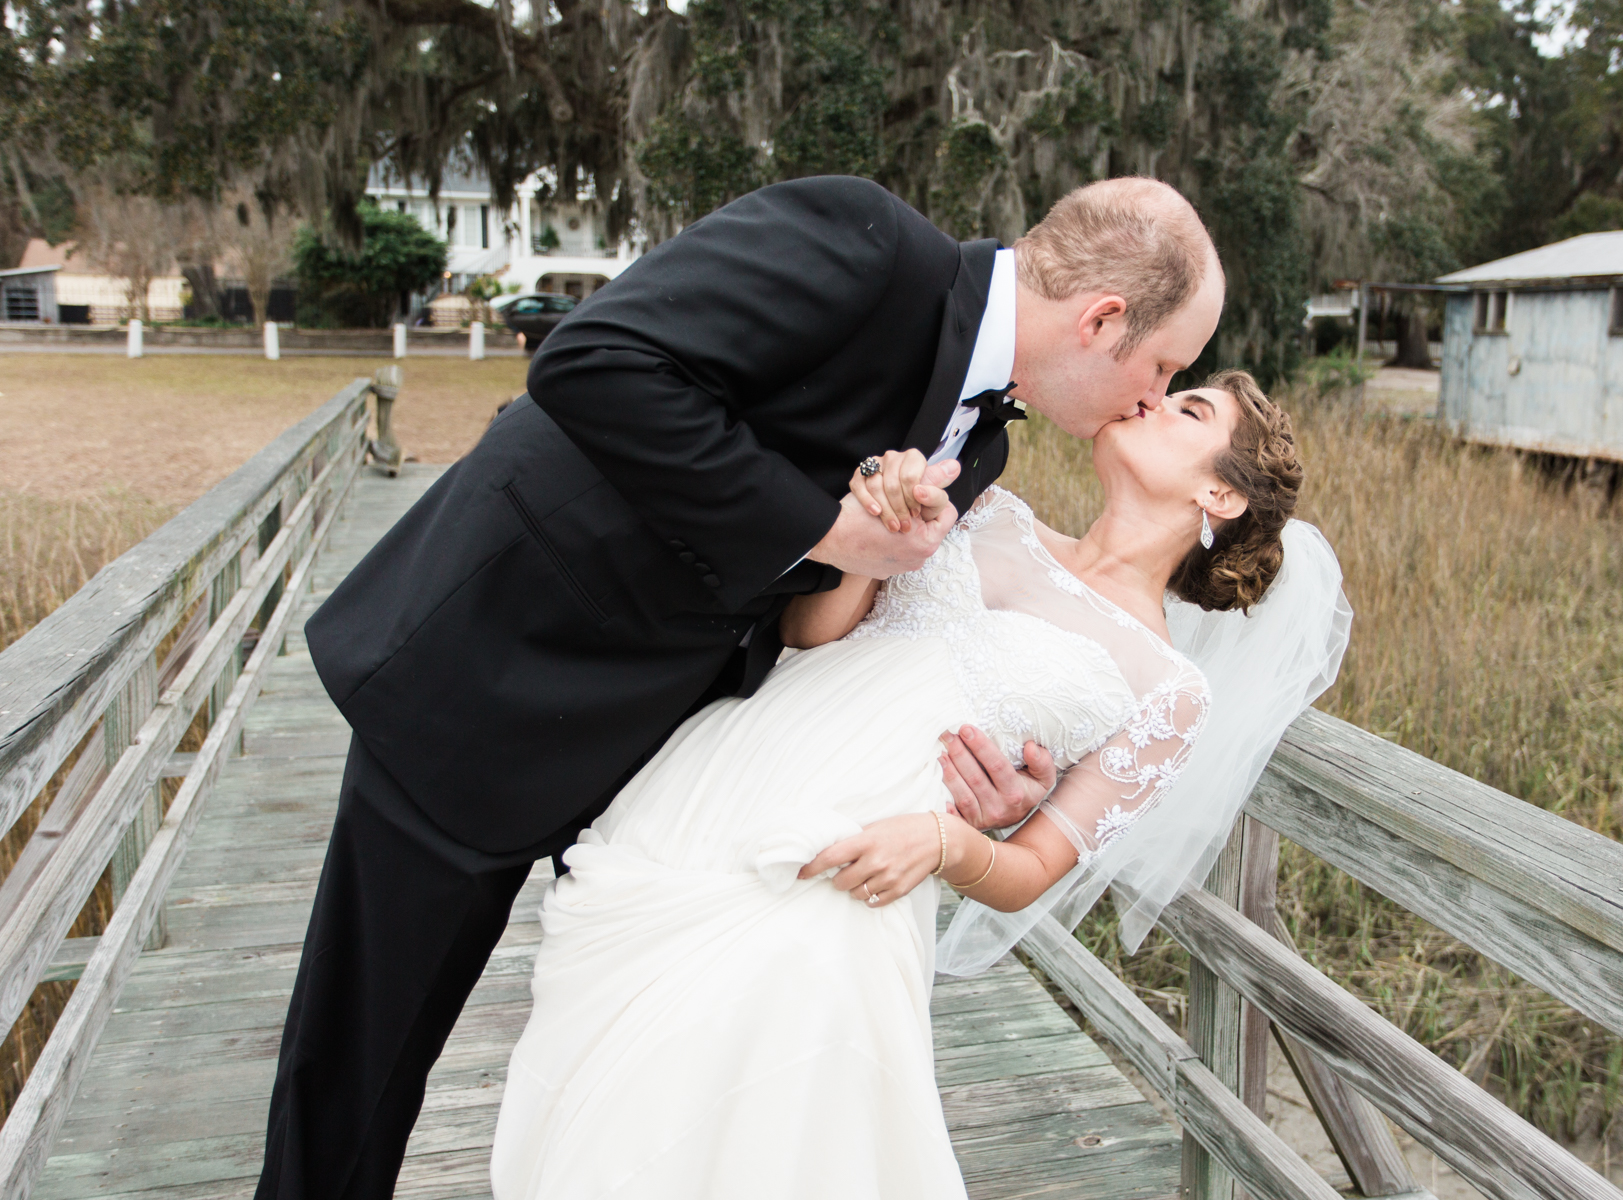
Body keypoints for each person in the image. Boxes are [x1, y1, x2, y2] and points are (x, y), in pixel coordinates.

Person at [257, 175, 1224, 1200]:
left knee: (647, 1090)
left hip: (682, 767)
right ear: (1104, 319)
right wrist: (825, 528)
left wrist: (990, 790)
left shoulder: (981, 441)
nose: (1154, 396)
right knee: (363, 1061)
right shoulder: (863, 245)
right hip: (499, 677)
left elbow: (867, 638)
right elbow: (593, 362)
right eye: (1164, 365)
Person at [487, 371, 1348, 1198]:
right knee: (623, 1085)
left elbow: (1032, 872)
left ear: (1221, 497)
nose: (1156, 398)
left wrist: (944, 842)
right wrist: (875, 526)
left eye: (1190, 410)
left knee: (760, 1118)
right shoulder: (991, 513)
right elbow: (814, 633)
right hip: (726, 772)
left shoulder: (1167, 689)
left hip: (862, 860)